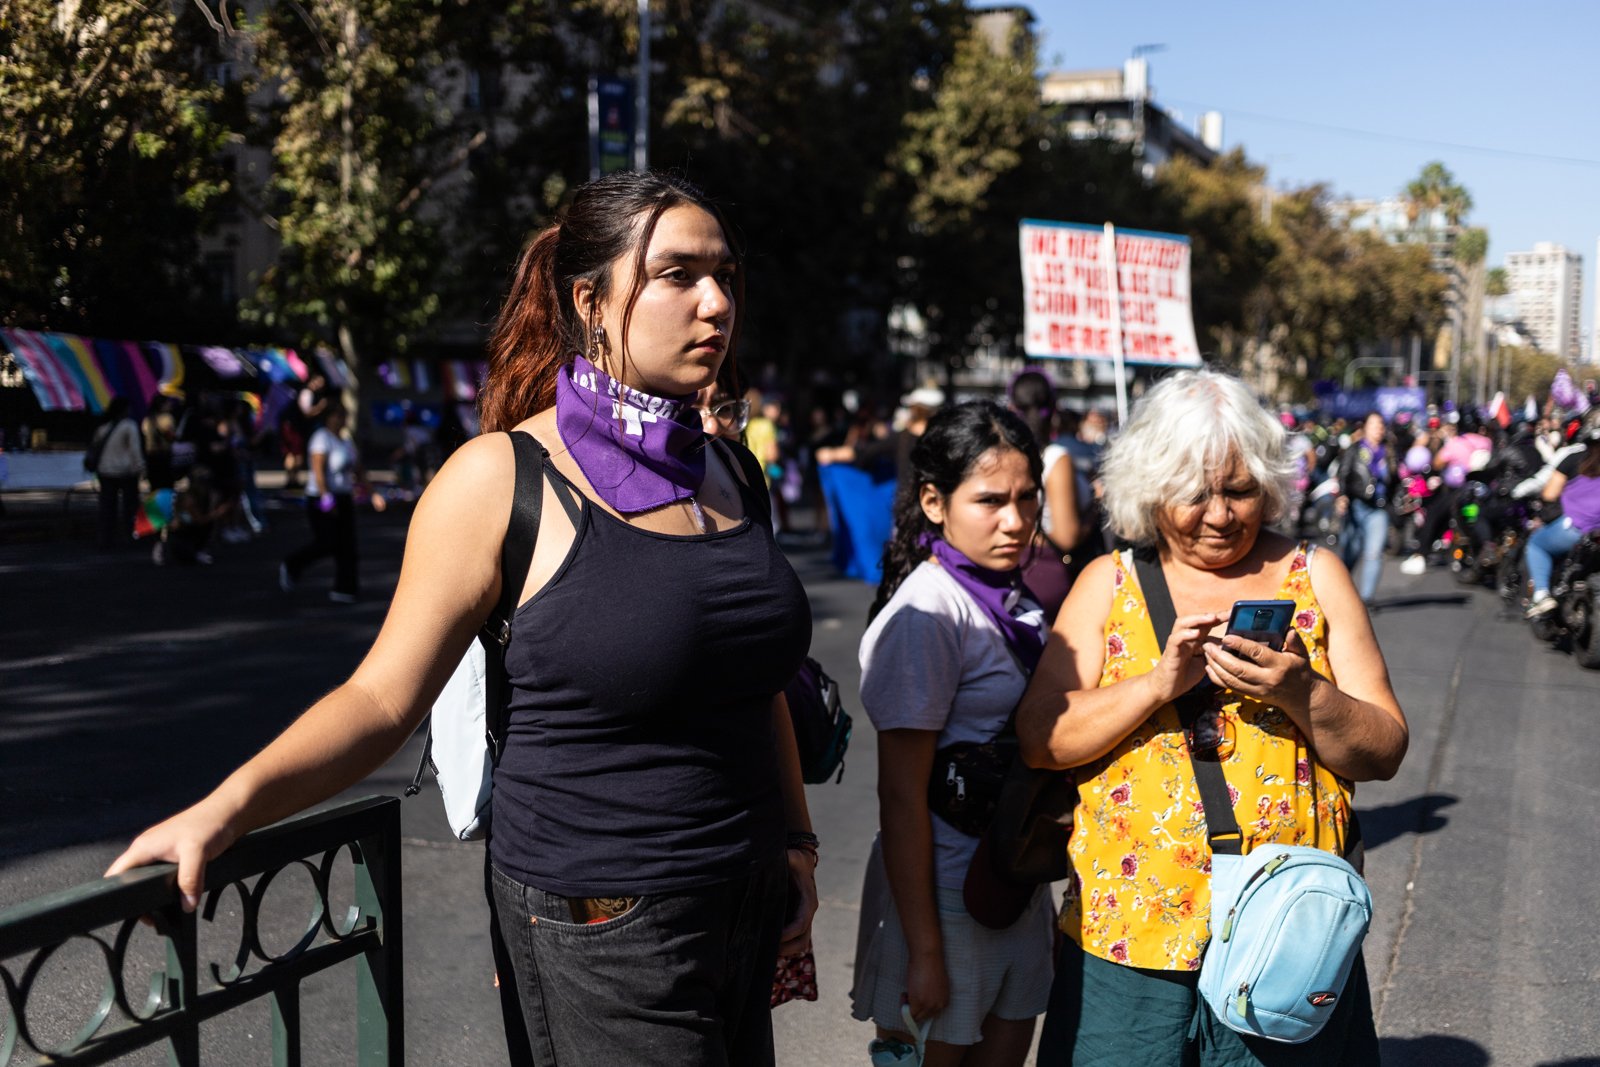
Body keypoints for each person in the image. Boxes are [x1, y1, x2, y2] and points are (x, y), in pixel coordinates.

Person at [108, 171, 818, 1067]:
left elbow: (760, 686)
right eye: (677, 275)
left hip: (746, 906)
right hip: (605, 926)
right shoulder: (498, 479)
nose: (716, 303)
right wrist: (225, 809)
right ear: (590, 300)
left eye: (725, 274)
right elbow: (379, 699)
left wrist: (796, 844)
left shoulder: (730, 472)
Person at [1016, 368, 1408, 1066]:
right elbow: (1041, 737)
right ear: (1151, 487)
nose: (1222, 515)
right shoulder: (1108, 582)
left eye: (1240, 490)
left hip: (1285, 937)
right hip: (1129, 940)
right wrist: (1157, 683)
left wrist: (1303, 692)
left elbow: (1384, 750)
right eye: (1196, 493)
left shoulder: (1316, 574)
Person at [851, 401, 1054, 1067]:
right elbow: (902, 798)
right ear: (935, 502)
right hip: (943, 901)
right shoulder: (927, 616)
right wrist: (926, 952)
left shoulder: (1017, 600)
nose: (1017, 520)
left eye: (1029, 498)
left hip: (1013, 884)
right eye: (991, 500)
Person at [279, 404, 381, 603]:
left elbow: (359, 470)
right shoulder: (321, 439)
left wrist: (373, 494)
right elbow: (318, 471)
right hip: (322, 497)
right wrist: (326, 498)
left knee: (348, 545)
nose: (341, 420)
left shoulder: (346, 442)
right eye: (338, 415)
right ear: (328, 418)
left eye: (344, 415)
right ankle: (292, 564)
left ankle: (345, 588)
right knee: (327, 542)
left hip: (344, 497)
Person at [1525, 421, 1600, 617]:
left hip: (1576, 528)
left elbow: (1550, 493)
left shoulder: (1575, 459)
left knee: (1536, 545)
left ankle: (1541, 594)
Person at [1336, 411, 1395, 604]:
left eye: (1381, 426)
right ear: (1365, 428)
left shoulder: (1389, 452)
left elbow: (1395, 479)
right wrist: (1342, 496)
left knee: (1374, 553)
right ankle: (1338, 590)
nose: (1378, 430)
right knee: (1351, 551)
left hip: (1378, 508)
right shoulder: (1355, 449)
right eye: (1374, 425)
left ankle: (1366, 598)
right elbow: (1343, 472)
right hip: (1357, 505)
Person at [92, 396, 143, 549]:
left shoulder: (103, 427)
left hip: (105, 471)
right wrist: (140, 467)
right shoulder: (129, 426)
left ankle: (106, 537)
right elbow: (135, 449)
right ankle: (129, 535)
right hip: (126, 471)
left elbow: (95, 447)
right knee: (129, 506)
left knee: (107, 506)